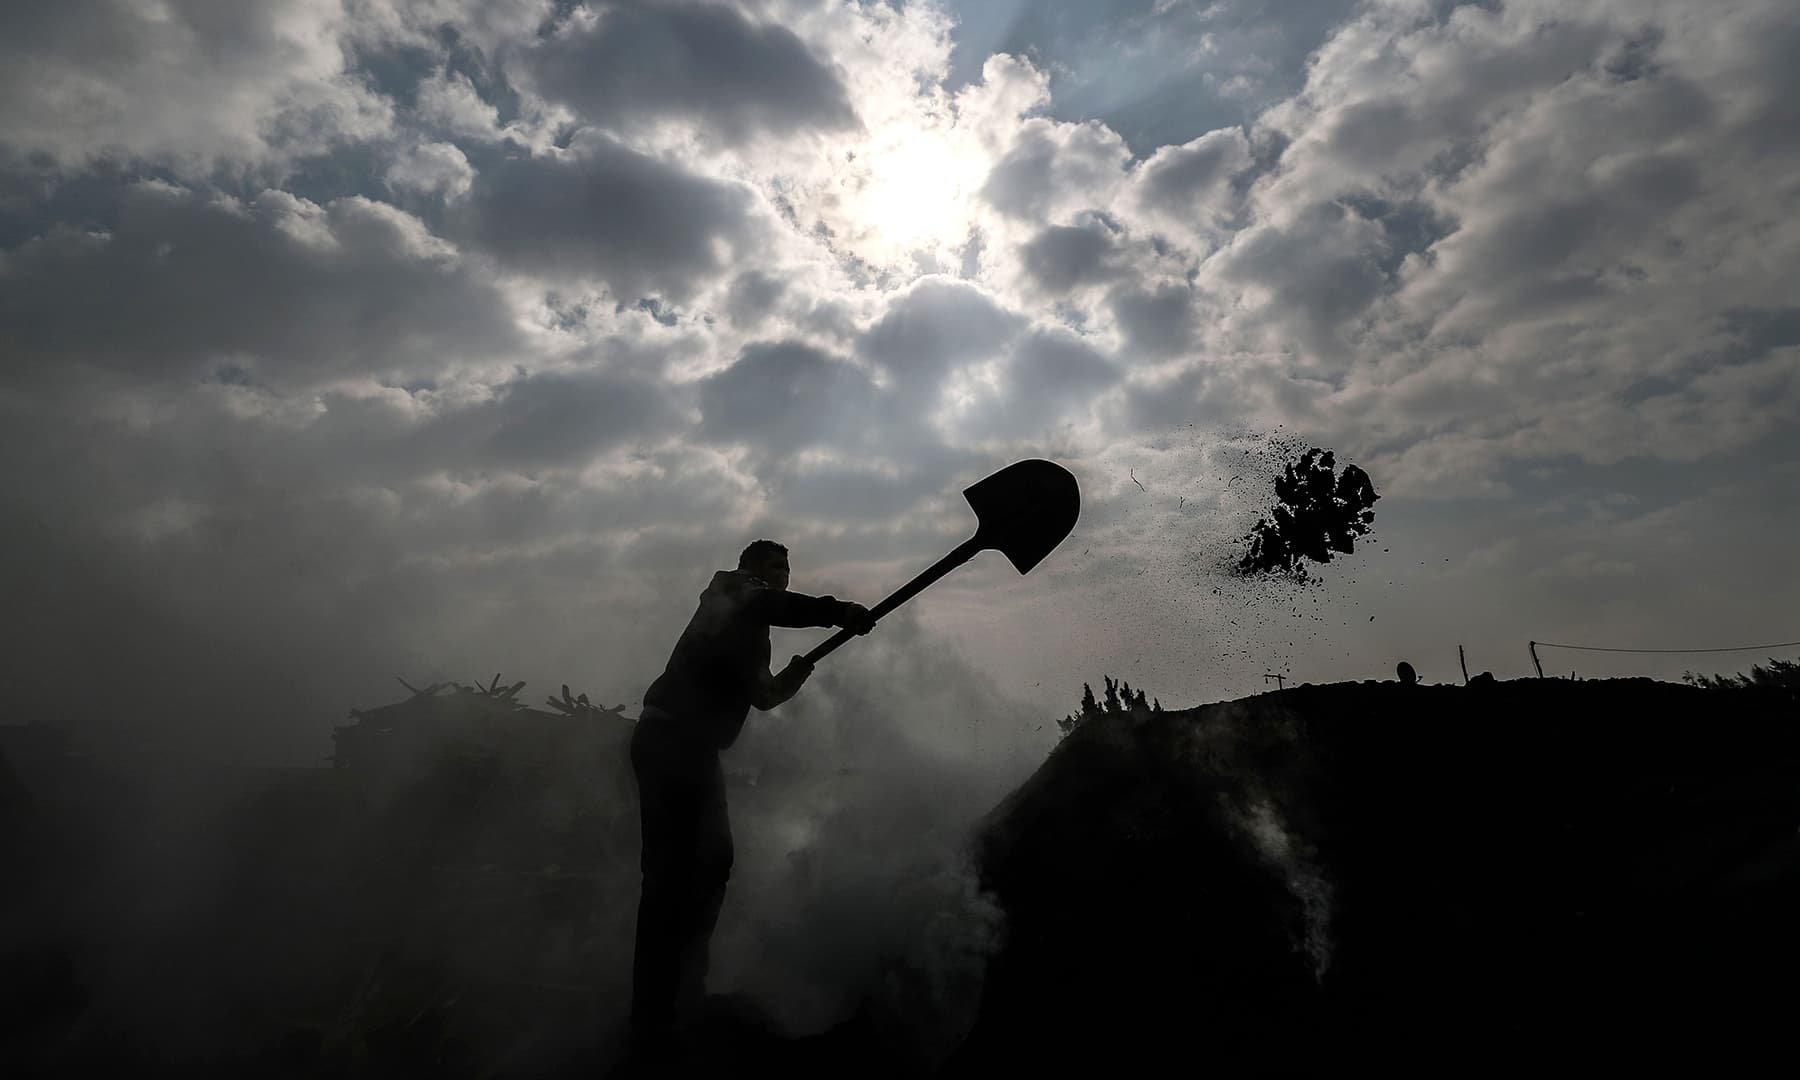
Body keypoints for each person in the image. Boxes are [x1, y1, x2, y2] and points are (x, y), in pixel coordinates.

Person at [627, 539, 873, 1057]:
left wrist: (798, 672)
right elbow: (773, 604)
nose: (781, 576)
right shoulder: (734, 589)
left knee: (704, 867)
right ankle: (659, 1014)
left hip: (687, 748)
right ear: (752, 569)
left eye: (786, 569)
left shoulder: (747, 632)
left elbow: (762, 697)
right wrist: (839, 612)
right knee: (679, 875)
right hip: (674, 741)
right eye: (774, 567)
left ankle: (677, 998)